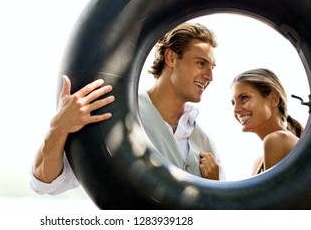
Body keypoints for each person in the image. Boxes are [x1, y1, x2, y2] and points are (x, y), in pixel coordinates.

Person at [30, 22, 223, 196]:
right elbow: (45, 183)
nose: (210, 76)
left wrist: (213, 187)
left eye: (212, 67)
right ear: (171, 58)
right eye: (201, 63)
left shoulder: (204, 142)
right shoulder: (116, 115)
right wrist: (59, 127)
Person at [231, 68, 303, 175]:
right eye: (233, 103)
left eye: (244, 98)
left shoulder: (277, 140)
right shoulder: (259, 162)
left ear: (273, 99)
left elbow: (272, 193)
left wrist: (213, 182)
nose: (236, 110)